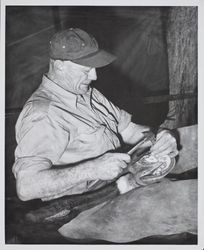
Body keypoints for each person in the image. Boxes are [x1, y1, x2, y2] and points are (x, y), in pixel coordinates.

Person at [12, 28, 178, 202]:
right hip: (85, 203)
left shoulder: (87, 93)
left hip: (119, 180)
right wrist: (92, 169)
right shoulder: (44, 113)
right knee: (183, 200)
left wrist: (158, 137)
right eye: (86, 70)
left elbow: (128, 130)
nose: (94, 76)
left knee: (188, 143)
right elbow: (26, 187)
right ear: (60, 65)